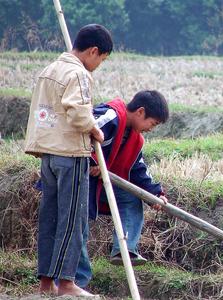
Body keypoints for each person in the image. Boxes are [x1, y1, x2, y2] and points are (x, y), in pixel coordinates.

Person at [24, 24, 113, 297]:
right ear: (93, 51)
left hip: (48, 154)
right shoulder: (79, 74)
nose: (98, 65)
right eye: (101, 59)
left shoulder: (49, 70)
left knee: (50, 218)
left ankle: (45, 283)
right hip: (71, 155)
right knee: (72, 220)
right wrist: (95, 130)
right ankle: (66, 283)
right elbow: (78, 113)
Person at [75, 90, 169, 288]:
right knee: (78, 228)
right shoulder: (110, 116)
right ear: (140, 112)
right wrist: (91, 161)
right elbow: (79, 131)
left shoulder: (135, 140)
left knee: (130, 197)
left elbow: (138, 169)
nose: (151, 129)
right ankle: (77, 282)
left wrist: (155, 194)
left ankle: (123, 249)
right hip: (77, 179)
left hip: (101, 181)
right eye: (152, 124)